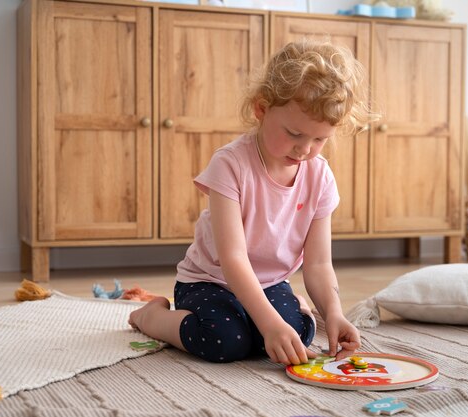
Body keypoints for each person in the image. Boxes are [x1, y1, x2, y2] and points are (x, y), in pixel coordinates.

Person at [129, 39, 378, 365]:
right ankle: (150, 316)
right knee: (226, 342)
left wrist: (334, 313)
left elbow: (317, 264)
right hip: (209, 280)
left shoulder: (320, 177)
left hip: (271, 283)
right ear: (262, 109)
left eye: (320, 139)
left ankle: (289, 310)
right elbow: (233, 259)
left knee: (298, 334)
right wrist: (268, 321)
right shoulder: (230, 165)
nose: (304, 149)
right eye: (294, 133)